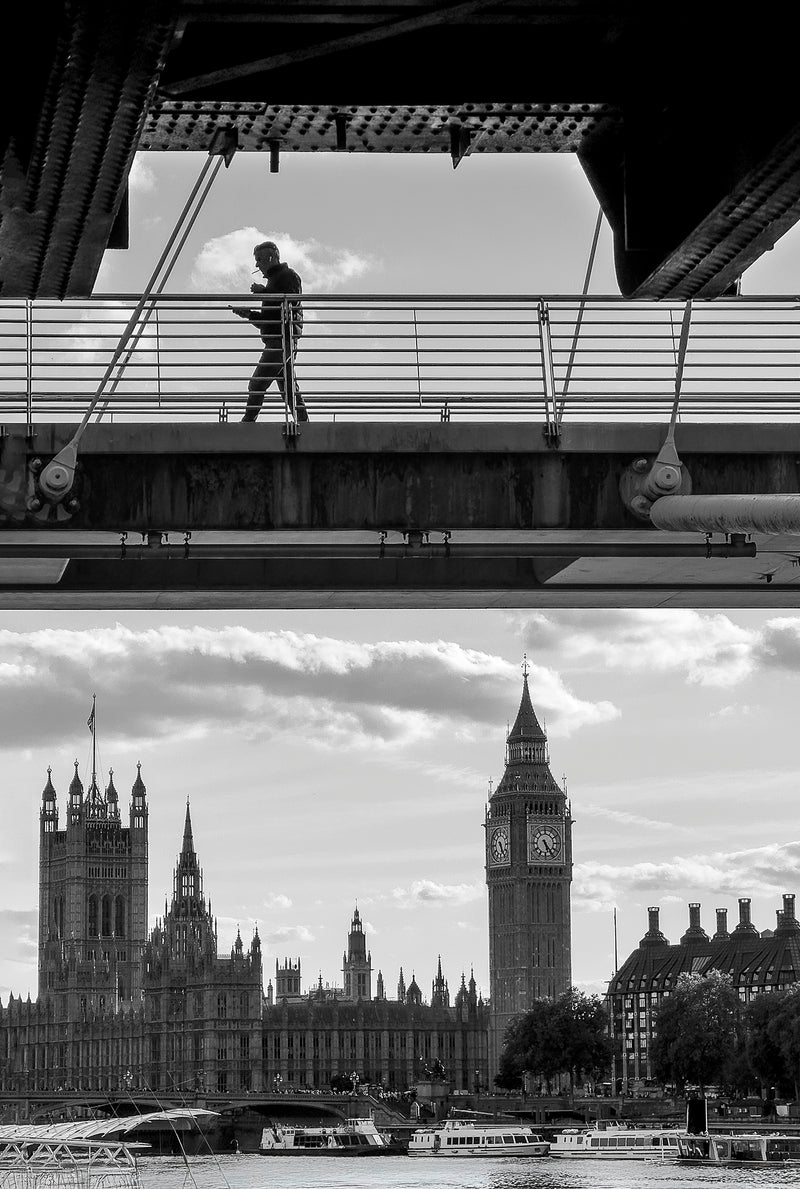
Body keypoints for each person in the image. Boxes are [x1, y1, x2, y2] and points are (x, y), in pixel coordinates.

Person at [232, 241, 307, 422]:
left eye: (259, 260)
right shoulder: (278, 279)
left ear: (271, 258)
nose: (257, 265)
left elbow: (288, 304)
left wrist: (264, 292)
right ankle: (305, 426)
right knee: (289, 390)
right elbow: (272, 319)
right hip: (281, 339)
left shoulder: (288, 276)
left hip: (282, 341)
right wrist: (249, 314)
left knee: (257, 383)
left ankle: (248, 423)